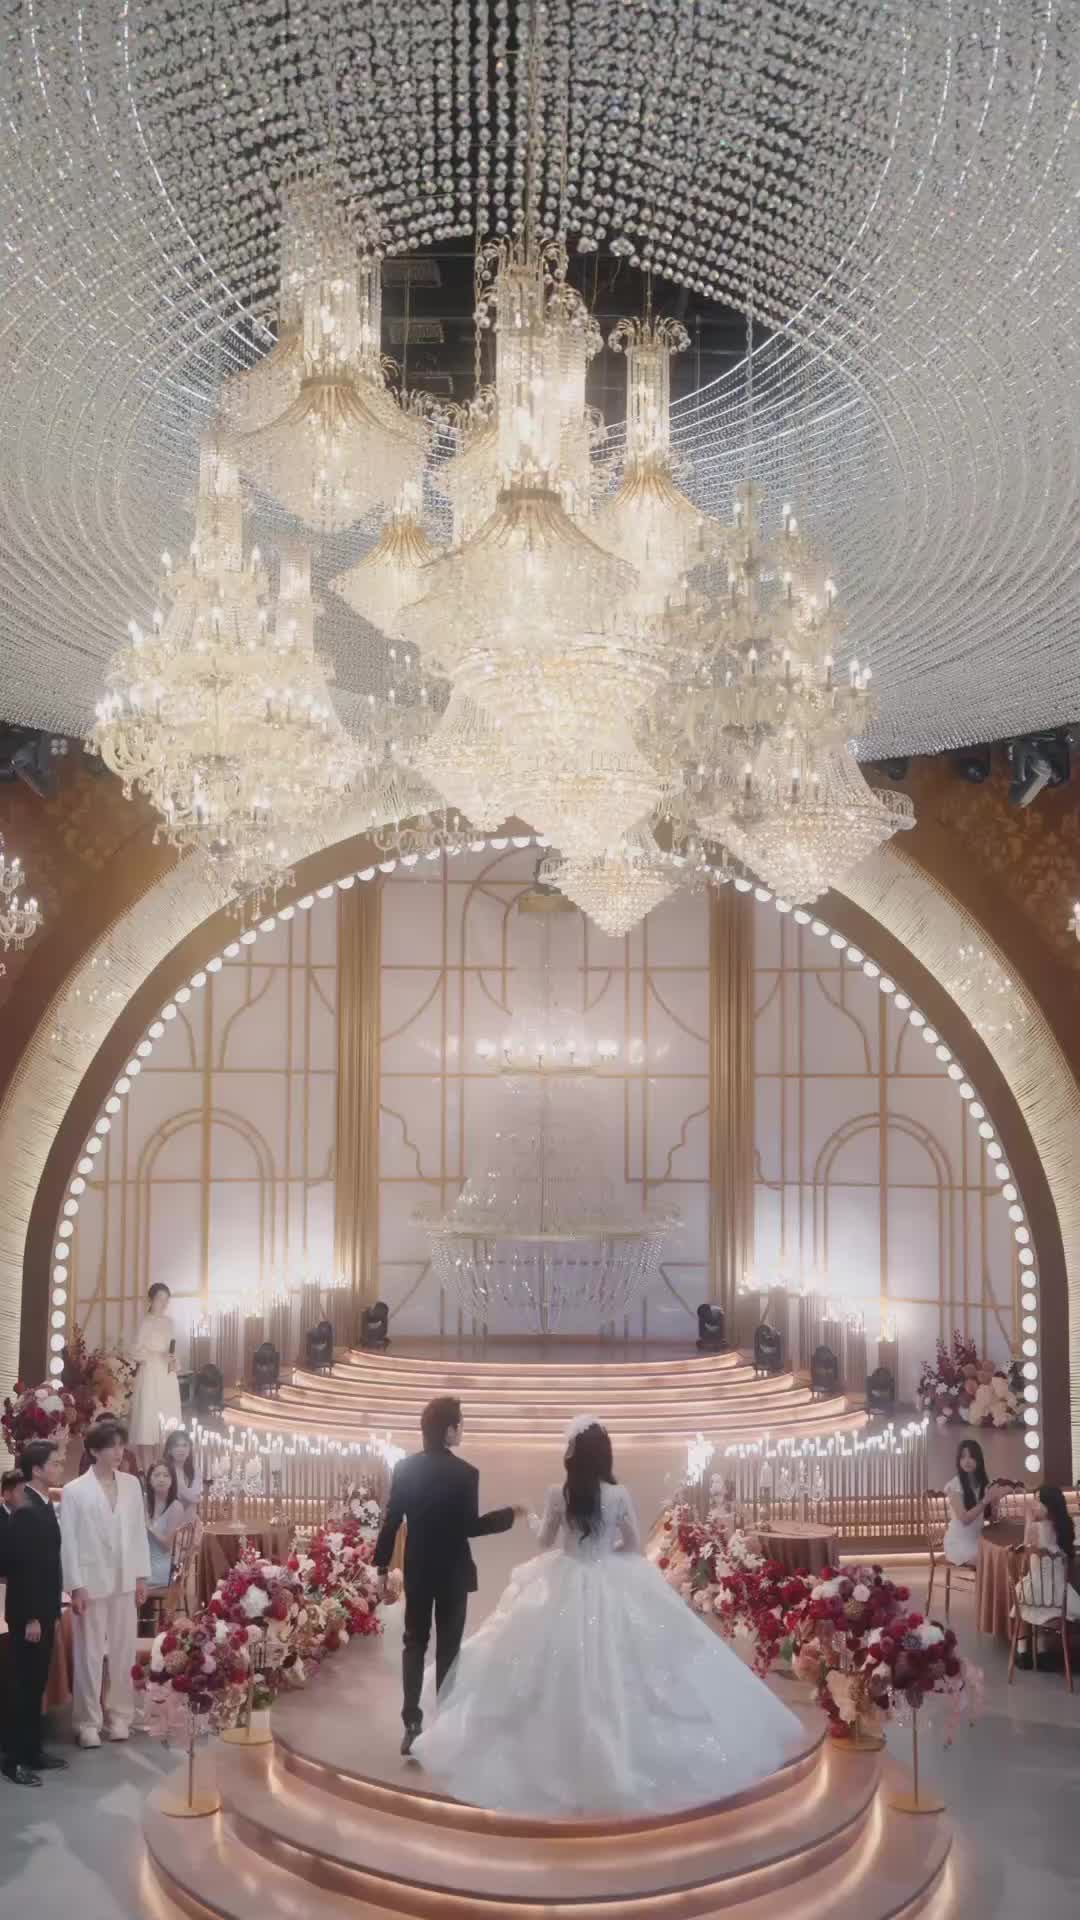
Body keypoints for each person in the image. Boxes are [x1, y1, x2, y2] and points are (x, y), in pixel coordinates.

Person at [412, 1418, 805, 1817]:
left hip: (564, 1577)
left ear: (572, 1455)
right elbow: (633, 1545)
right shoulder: (618, 1495)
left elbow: (545, 1541)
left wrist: (530, 1516)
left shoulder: (558, 1494)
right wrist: (606, 1551)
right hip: (608, 1574)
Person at [373, 1395, 522, 1755]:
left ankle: (411, 1724)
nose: (462, 1430)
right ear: (448, 1430)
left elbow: (391, 1522)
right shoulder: (466, 1473)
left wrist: (381, 1568)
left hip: (418, 1569)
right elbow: (470, 1527)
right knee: (449, 1650)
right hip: (453, 1571)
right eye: (460, 1424)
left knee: (414, 1642)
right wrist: (509, 1515)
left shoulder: (405, 1469)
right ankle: (444, 1726)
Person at [60, 1418, 150, 1748]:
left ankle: (120, 1715)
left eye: (121, 1445)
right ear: (95, 1450)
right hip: (91, 1581)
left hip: (124, 1579)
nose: (118, 1452)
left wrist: (141, 1576)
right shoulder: (74, 1491)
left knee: (124, 1651)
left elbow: (138, 1532)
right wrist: (75, 1585)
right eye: (112, 1446)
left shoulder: (131, 1485)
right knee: (90, 1654)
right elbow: (68, 1541)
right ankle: (87, 1721)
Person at [0, 1440, 66, 1787]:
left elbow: (49, 1562)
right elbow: (22, 1569)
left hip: (44, 1607)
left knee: (36, 1683)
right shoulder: (26, 1510)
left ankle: (33, 1751)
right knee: (23, 1687)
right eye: (54, 1463)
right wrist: (31, 1617)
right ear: (37, 1470)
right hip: (29, 1613)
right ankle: (13, 1760)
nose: (59, 1467)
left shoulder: (42, 1503)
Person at [1015, 1485, 1080, 1660]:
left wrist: (1028, 1520)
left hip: (1039, 1589)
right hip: (1060, 1594)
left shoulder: (1038, 1527)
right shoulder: (1064, 1526)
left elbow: (1026, 1547)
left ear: (1049, 1505)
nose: (1034, 1505)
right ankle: (1041, 1650)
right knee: (1033, 1601)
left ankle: (1022, 1651)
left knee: (1022, 1599)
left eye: (1038, 1501)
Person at [128, 1282, 182, 1466]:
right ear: (151, 1300)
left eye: (166, 1300)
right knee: (148, 1420)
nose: (163, 1304)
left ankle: (163, 1466)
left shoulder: (169, 1323)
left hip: (167, 1376)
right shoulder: (145, 1322)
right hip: (151, 1374)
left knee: (166, 1420)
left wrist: (173, 1359)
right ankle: (147, 1467)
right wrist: (157, 1355)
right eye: (160, 1299)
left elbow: (172, 1348)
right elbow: (135, 1351)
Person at [943, 1439, 1000, 1567]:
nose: (967, 1461)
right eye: (963, 1457)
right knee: (989, 1562)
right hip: (958, 1543)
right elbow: (965, 1519)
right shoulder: (954, 1485)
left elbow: (992, 1519)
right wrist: (985, 1500)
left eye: (971, 1457)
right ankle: (984, 1580)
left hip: (978, 1539)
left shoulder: (983, 1484)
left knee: (1001, 1556)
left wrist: (995, 1502)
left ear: (978, 1460)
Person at [143, 1461, 185, 1589]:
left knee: (129, 1582)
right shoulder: (144, 1501)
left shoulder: (176, 1507)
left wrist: (149, 1526)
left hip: (165, 1566)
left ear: (172, 1481)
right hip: (144, 1561)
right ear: (149, 1480)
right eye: (157, 1475)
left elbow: (167, 1545)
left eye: (166, 1475)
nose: (161, 1479)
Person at [162, 1429, 202, 1512]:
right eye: (176, 1446)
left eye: (185, 1445)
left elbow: (196, 1498)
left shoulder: (196, 1471)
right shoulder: (164, 1471)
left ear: (189, 1449)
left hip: (189, 1517)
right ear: (169, 1450)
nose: (181, 1449)